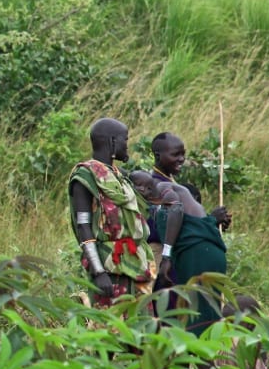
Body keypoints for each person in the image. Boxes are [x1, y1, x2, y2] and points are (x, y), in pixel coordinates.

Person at [69, 118, 154, 306]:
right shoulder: (86, 177)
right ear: (112, 141)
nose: (127, 145)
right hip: (108, 267)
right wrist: (98, 271)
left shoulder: (119, 176)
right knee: (111, 320)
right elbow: (83, 226)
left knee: (140, 320)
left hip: (135, 263)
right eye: (125, 139)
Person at [131, 170, 227, 334]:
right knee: (191, 311)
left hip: (199, 253)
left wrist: (166, 256)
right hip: (192, 254)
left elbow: (176, 208)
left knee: (200, 314)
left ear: (142, 188)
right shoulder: (153, 201)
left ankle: (204, 348)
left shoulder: (165, 189)